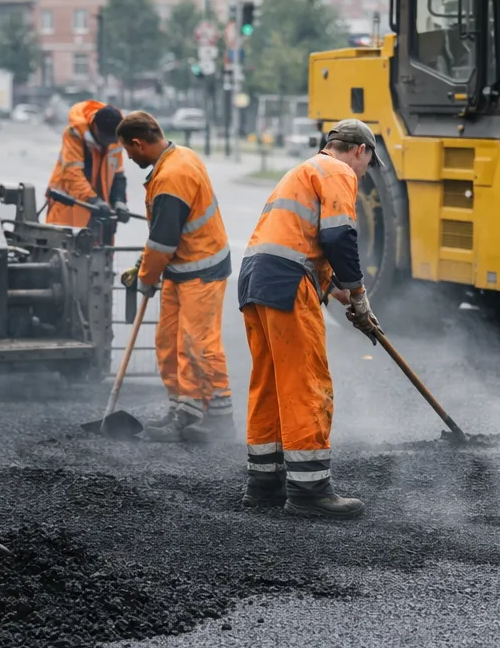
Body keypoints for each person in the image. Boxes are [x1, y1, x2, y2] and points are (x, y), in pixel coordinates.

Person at [236, 119, 382, 520]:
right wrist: (359, 296)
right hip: (286, 282)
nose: (366, 171)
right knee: (305, 382)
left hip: (255, 278)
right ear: (359, 150)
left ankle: (264, 485)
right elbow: (339, 237)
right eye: (370, 162)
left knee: (269, 382)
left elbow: (302, 243)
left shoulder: (302, 171)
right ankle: (310, 492)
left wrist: (340, 295)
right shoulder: (337, 171)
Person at [114, 111, 233, 443]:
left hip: (202, 270)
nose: (129, 156)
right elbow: (163, 231)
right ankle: (184, 409)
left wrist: (146, 277)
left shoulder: (172, 176)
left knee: (199, 345)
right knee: (169, 344)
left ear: (138, 143)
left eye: (127, 150)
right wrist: (143, 264)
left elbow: (164, 240)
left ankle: (220, 417)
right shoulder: (176, 160)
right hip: (180, 268)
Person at [46, 101, 129, 241]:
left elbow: (118, 174)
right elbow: (73, 174)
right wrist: (94, 200)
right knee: (69, 257)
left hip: (99, 213)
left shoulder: (115, 138)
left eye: (113, 139)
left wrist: (119, 201)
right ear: (95, 127)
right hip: (69, 209)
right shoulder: (74, 134)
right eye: (106, 139)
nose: (109, 143)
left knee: (100, 257)